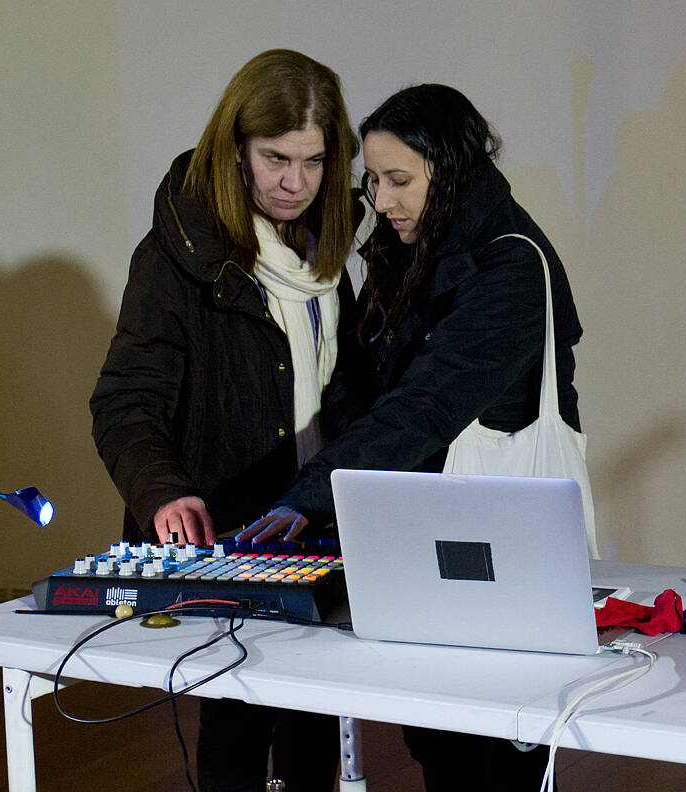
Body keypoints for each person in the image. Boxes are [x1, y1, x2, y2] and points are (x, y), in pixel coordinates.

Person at [238, 83, 583, 792]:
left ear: (449, 169)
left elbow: (424, 406)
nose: (384, 199)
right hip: (430, 532)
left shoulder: (511, 264)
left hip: (499, 546)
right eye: (374, 179)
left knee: (496, 750)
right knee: (439, 737)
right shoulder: (412, 245)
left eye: (400, 181)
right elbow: (362, 387)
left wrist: (311, 494)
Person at [89, 49, 362, 792]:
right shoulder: (177, 255)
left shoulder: (332, 250)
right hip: (232, 528)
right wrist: (161, 493)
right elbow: (124, 401)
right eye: (275, 158)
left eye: (312, 162)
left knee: (316, 718)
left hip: (319, 522)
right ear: (234, 146)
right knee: (237, 725)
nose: (293, 183)